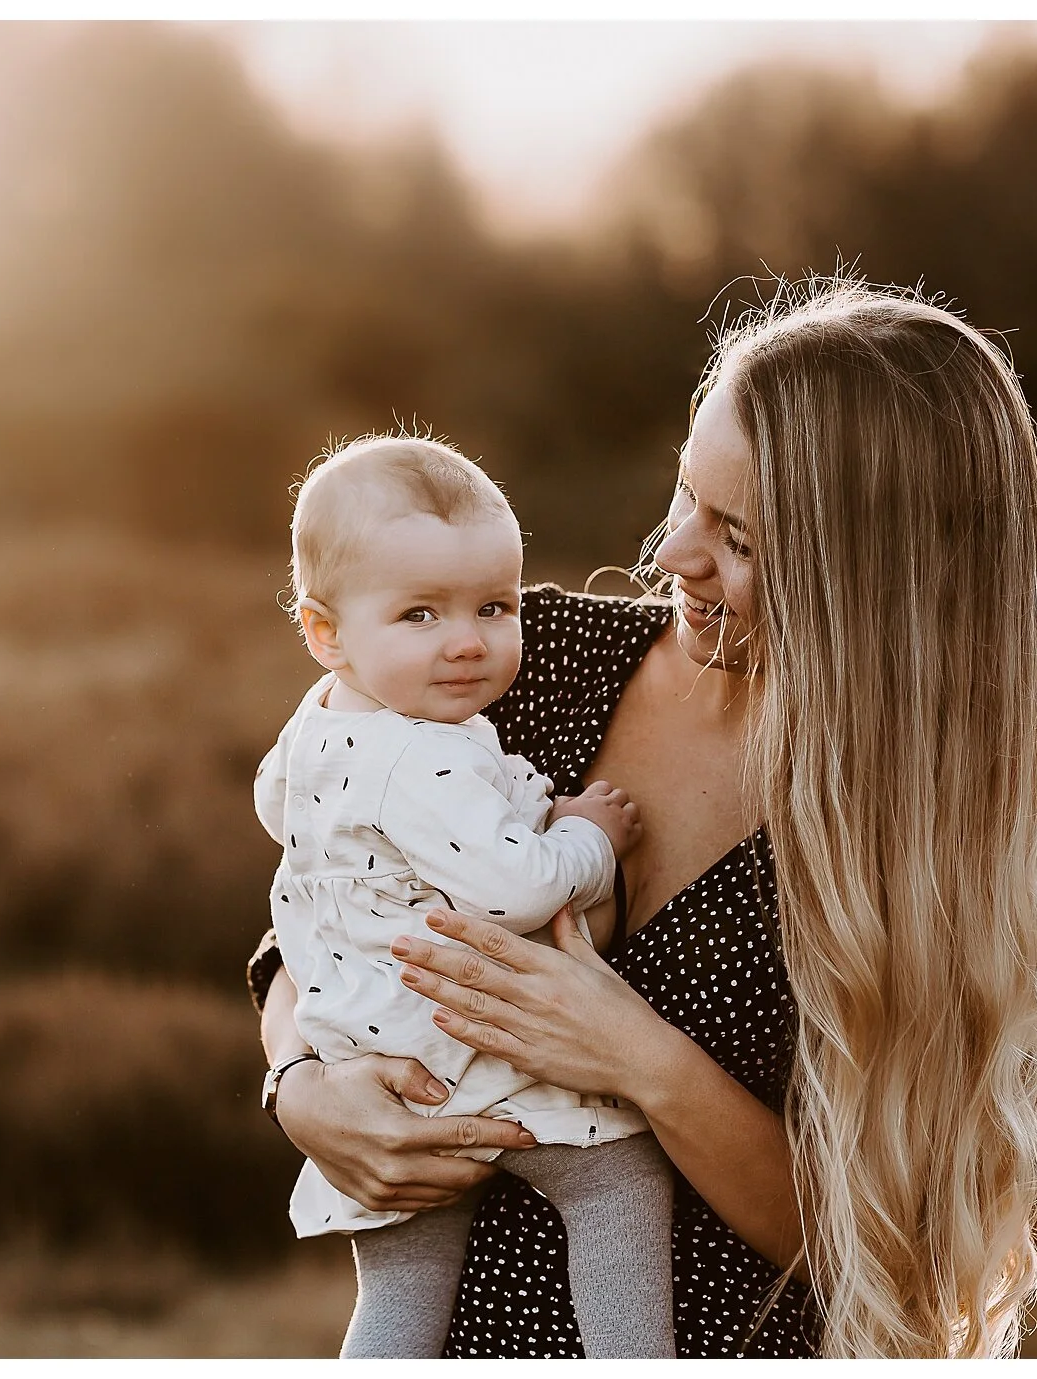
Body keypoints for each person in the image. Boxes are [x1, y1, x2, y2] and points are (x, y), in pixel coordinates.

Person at [249, 277, 1037, 1358]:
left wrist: (636, 1056)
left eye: (735, 536)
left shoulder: (925, 842)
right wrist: (302, 1085)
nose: (670, 555)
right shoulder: (525, 661)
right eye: (686, 493)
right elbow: (318, 907)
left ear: (868, 577)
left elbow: (898, 1255)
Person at [255, 435, 676, 1358]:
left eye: (494, 605)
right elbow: (513, 889)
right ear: (325, 630)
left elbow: (277, 814)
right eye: (419, 613)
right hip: (469, 1059)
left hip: (373, 1064)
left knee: (401, 1290)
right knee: (616, 1180)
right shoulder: (422, 750)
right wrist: (587, 840)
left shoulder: (321, 720)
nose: (467, 640)